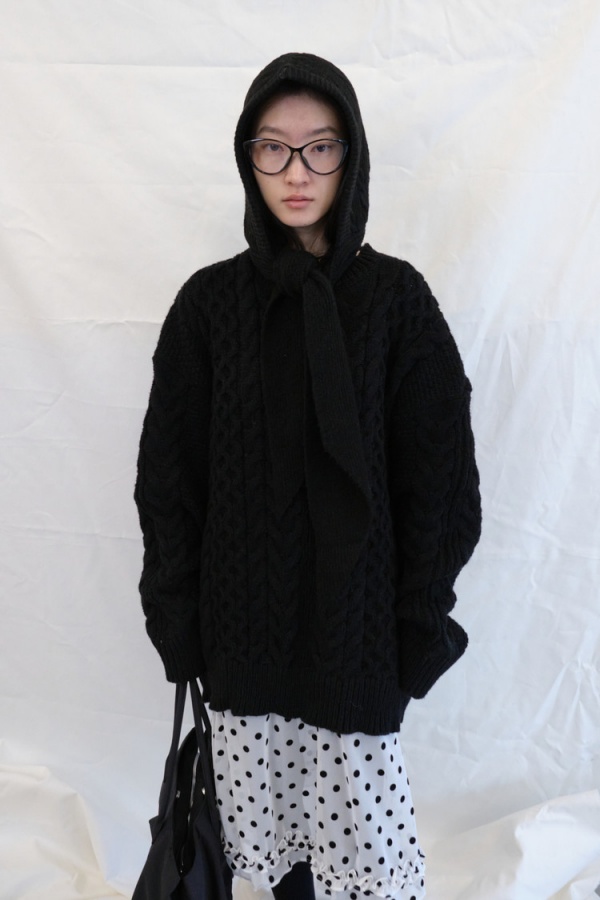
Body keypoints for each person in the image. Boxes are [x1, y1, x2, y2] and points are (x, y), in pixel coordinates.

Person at [134, 52, 482, 900]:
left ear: (350, 156)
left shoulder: (396, 301)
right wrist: (178, 624)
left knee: (364, 869)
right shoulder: (208, 307)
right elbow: (169, 482)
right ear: (247, 157)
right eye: (274, 148)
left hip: (356, 649)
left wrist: (417, 630)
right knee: (271, 867)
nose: (297, 172)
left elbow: (441, 483)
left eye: (320, 147)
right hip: (240, 647)